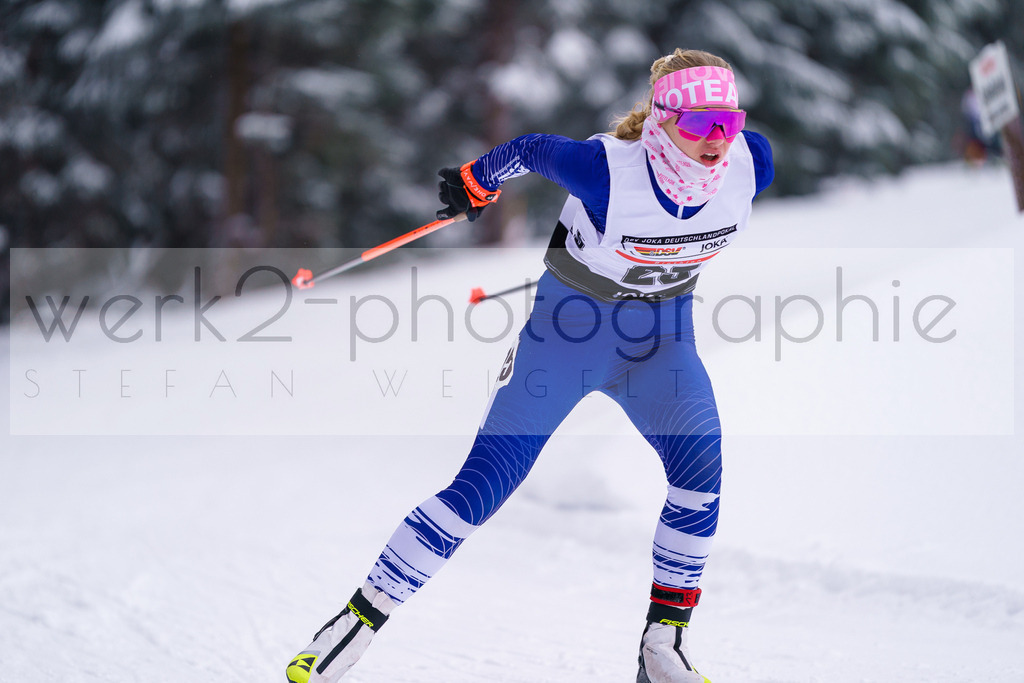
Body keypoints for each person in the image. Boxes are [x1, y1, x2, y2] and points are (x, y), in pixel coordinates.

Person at [286, 47, 774, 683]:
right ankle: (354, 625)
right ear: (661, 120)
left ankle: (663, 647)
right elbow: (531, 149)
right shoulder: (604, 171)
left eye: (728, 123)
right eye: (700, 124)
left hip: (661, 345)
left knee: (700, 476)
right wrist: (475, 181)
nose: (717, 140)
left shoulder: (752, 162)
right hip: (566, 341)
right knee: (483, 485)